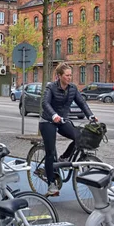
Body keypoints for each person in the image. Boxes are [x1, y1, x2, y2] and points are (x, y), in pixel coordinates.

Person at [39, 62, 98, 197]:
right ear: (59, 76)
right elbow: (45, 103)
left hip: (62, 120)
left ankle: (63, 158)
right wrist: (53, 115)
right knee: (50, 151)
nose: (69, 78)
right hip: (48, 121)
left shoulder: (72, 88)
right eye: (67, 75)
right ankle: (51, 185)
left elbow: (81, 102)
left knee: (79, 136)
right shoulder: (51, 87)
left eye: (71, 75)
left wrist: (91, 115)